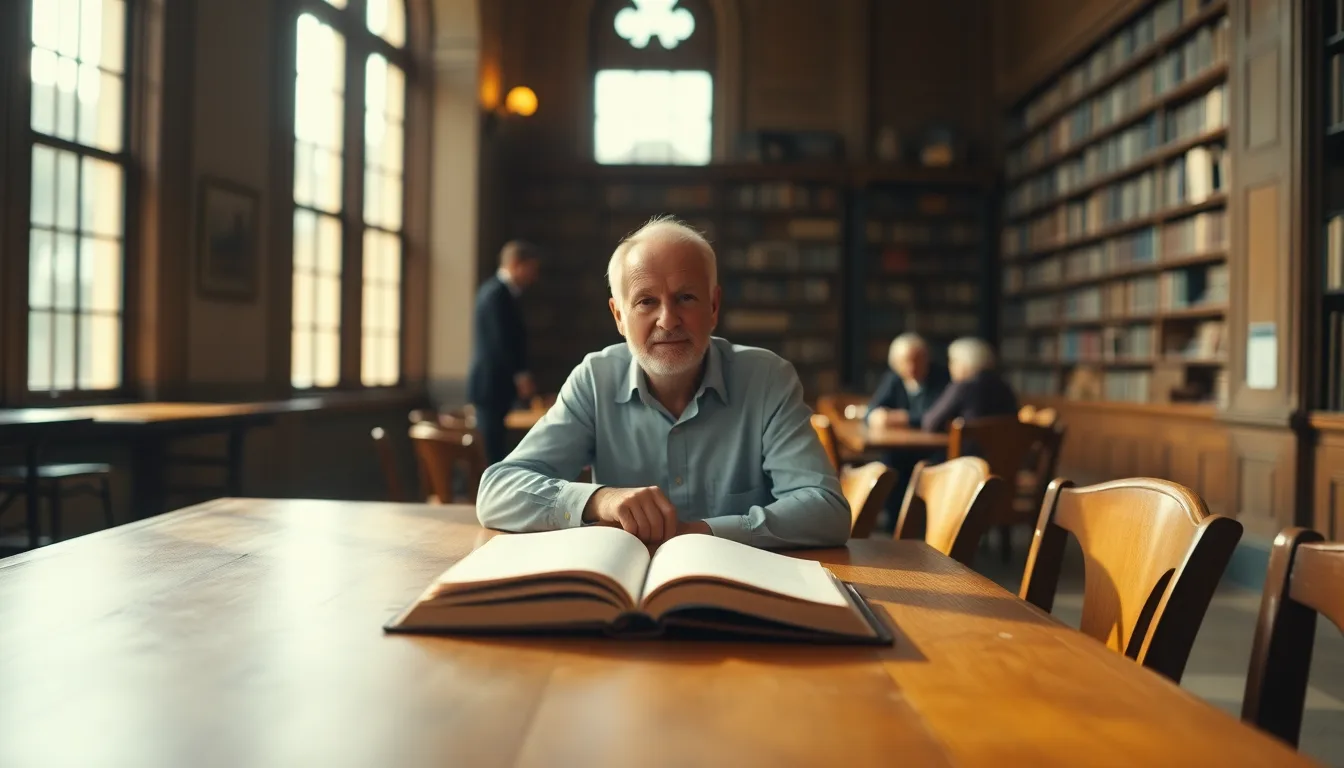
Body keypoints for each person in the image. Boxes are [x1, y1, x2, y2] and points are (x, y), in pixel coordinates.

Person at [476, 216, 850, 549]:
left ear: (714, 307)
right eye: (646, 302)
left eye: (686, 297)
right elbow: (497, 492)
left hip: (740, 589)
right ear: (619, 316)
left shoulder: (767, 379)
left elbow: (827, 511)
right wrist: (600, 500)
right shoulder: (595, 380)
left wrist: (700, 533)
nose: (668, 320)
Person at [468, 240, 542, 464]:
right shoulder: (496, 295)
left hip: (496, 386)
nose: (533, 276)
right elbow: (500, 342)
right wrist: (521, 376)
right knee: (491, 455)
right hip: (491, 386)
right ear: (516, 264)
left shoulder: (501, 293)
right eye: (530, 269)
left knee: (497, 450)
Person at [921, 336, 1019, 433]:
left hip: (969, 443)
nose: (950, 367)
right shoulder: (1004, 386)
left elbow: (930, 422)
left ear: (964, 364)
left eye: (953, 361)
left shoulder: (963, 387)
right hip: (1006, 443)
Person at [865, 333, 950, 431]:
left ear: (927, 358)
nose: (912, 367)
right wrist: (875, 416)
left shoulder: (941, 378)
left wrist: (904, 418)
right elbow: (871, 409)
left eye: (917, 360)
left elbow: (936, 417)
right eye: (905, 362)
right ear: (895, 363)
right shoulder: (893, 378)